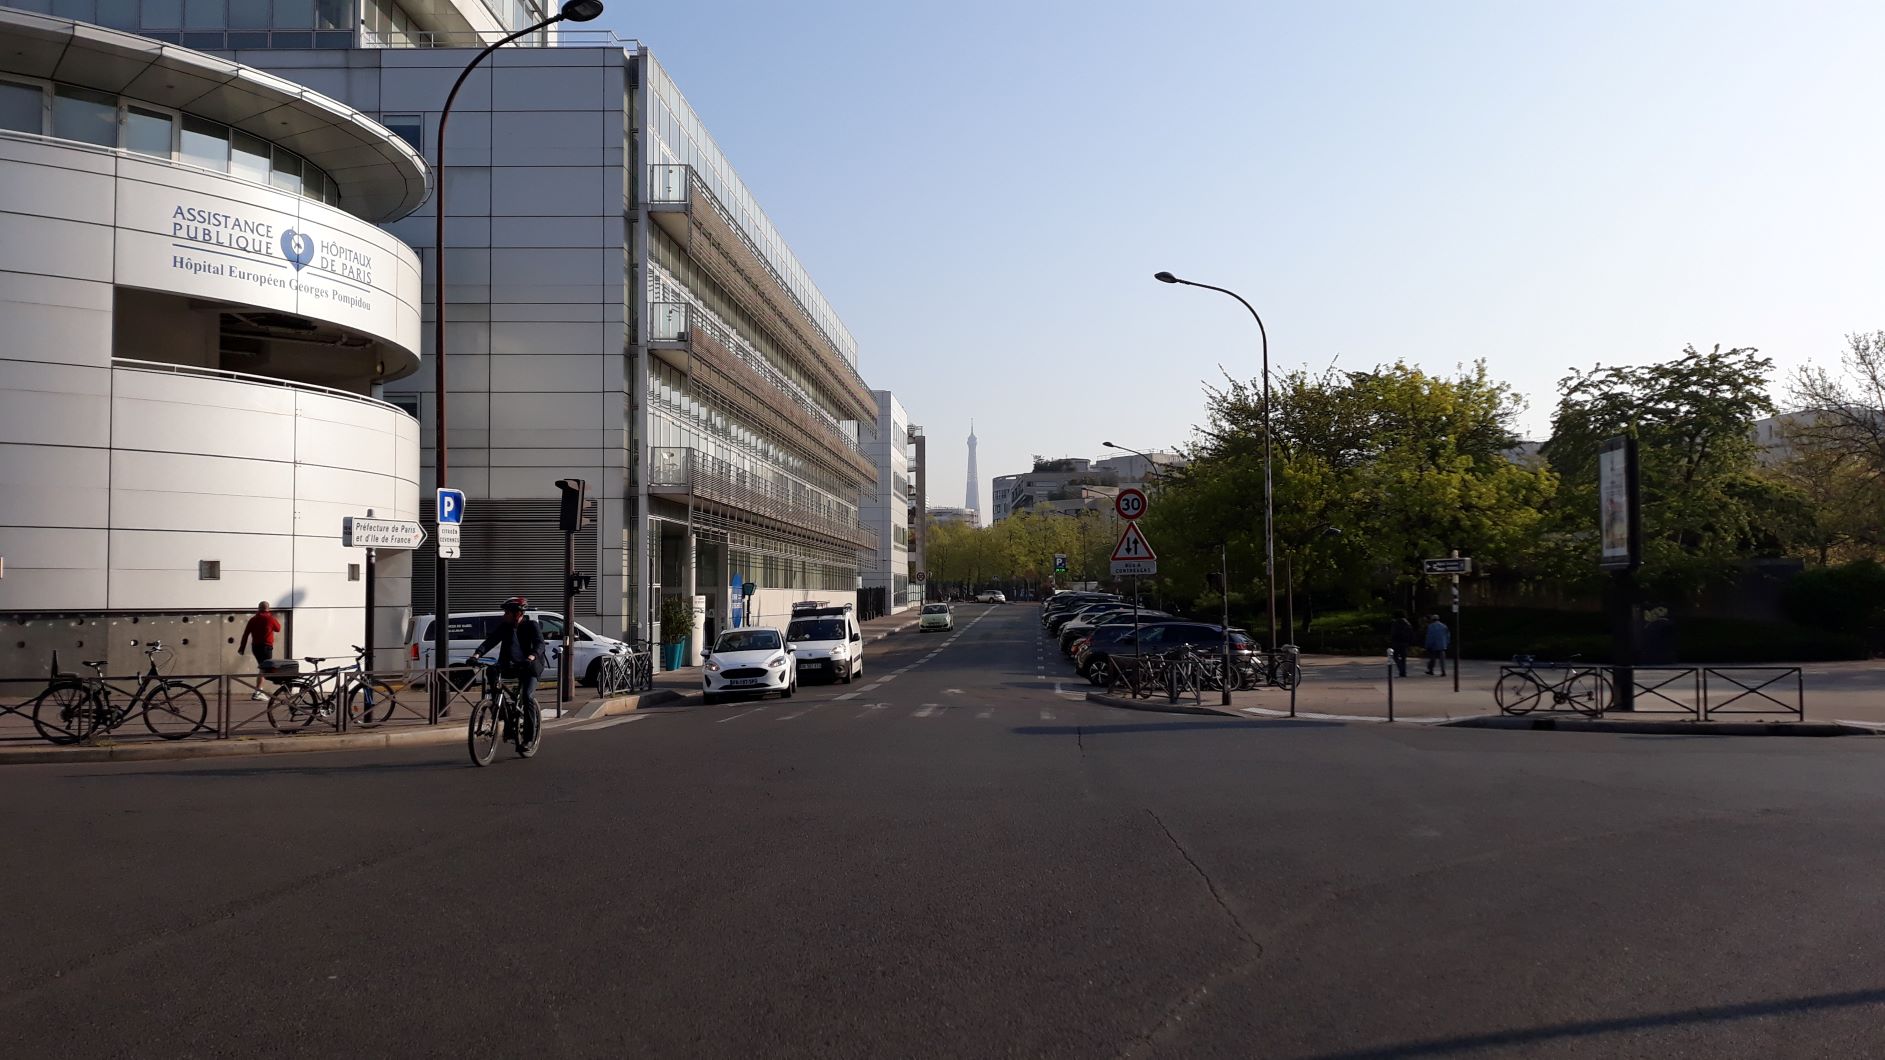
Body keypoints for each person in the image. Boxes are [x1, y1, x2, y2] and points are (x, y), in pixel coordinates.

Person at [469, 598, 546, 721]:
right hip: (510, 665)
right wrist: (476, 655)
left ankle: (529, 732)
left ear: (518, 613)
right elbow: (491, 641)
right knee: (491, 671)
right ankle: (501, 711)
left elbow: (540, 644)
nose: (504, 615)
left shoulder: (531, 626)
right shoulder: (505, 627)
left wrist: (531, 657)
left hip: (529, 667)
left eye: (507, 613)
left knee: (527, 697)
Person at [238, 601, 282, 700]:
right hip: (266, 647)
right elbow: (278, 628)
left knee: (263, 668)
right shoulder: (270, 618)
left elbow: (245, 634)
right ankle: (258, 692)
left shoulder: (253, 619)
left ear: (258, 608)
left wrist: (242, 648)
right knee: (264, 669)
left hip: (255, 647)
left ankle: (259, 691)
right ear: (268, 609)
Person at [1388, 610, 1414, 678]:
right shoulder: (1407, 623)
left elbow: (1393, 633)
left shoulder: (1395, 623)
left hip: (1397, 642)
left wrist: (1391, 640)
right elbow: (1411, 633)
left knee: (1395, 656)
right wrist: (1410, 641)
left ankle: (1401, 669)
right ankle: (1403, 672)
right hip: (1405, 642)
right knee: (1403, 657)